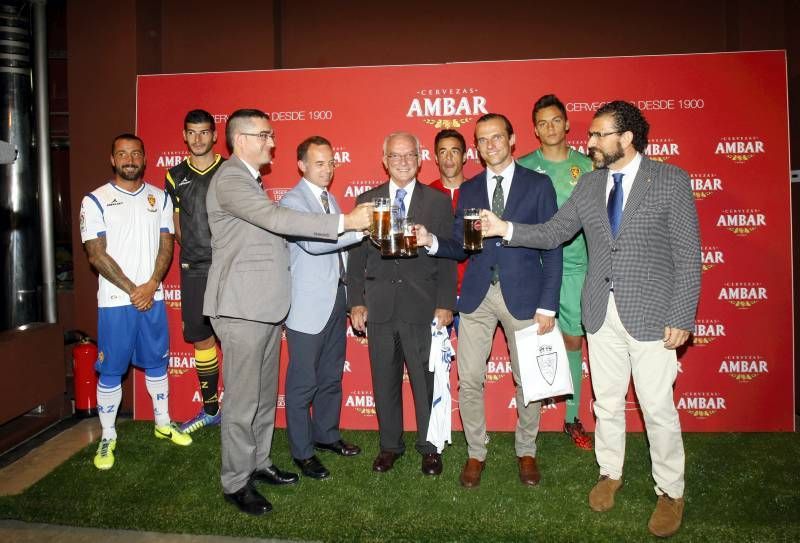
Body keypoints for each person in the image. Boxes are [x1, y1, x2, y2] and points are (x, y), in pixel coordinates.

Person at [480, 101, 700, 538]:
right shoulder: (590, 185)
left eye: (599, 135)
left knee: (657, 407)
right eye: (592, 135)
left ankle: (671, 490)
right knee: (607, 402)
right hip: (599, 311)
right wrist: (505, 229)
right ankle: (610, 472)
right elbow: (553, 232)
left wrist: (681, 313)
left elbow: (688, 254)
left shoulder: (670, 180)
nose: (590, 142)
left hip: (654, 315)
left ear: (626, 138)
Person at [203, 109, 372, 515]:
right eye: (264, 135)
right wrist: (344, 221)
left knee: (262, 399)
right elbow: (277, 219)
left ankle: (258, 463)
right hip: (241, 307)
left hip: (263, 306)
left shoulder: (250, 181)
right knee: (242, 402)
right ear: (240, 138)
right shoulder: (230, 179)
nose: (271, 142)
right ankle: (235, 481)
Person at [415, 113, 562, 489]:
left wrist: (548, 305)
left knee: (527, 380)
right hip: (478, 295)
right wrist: (430, 241)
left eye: (497, 137)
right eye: (483, 140)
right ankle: (476, 453)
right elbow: (461, 245)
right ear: (476, 149)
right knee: (470, 380)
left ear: (513, 140)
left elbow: (553, 244)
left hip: (526, 297)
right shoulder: (471, 189)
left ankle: (526, 450)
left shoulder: (538, 185)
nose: (490, 144)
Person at [347, 131, 457, 476]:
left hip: (423, 306)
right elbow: (355, 258)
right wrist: (356, 302)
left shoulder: (438, 202)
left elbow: (449, 258)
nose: (403, 161)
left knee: (425, 381)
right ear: (384, 160)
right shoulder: (366, 201)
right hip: (379, 306)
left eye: (410, 155)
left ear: (421, 158)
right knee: (383, 380)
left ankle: (429, 447)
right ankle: (390, 446)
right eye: (395, 156)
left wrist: (445, 303)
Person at [80, 133, 192, 471]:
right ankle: (108, 436)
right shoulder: (95, 200)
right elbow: (95, 254)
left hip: (152, 298)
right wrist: (133, 289)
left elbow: (167, 245)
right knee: (112, 370)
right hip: (117, 302)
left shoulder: (158, 197)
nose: (129, 159)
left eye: (136, 154)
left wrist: (153, 283)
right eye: (122, 154)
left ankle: (163, 422)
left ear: (144, 158)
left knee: (157, 364)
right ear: (113, 160)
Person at [279, 136, 364, 480]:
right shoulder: (292, 201)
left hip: (335, 302)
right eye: (319, 163)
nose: (328, 169)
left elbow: (337, 254)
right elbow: (315, 246)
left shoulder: (331, 199)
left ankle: (326, 435)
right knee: (303, 383)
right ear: (301, 165)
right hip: (305, 307)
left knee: (331, 377)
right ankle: (302, 451)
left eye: (331, 162)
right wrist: (360, 228)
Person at [518, 94, 594, 450]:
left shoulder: (589, 165)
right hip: (536, 267)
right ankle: (527, 422)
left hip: (578, 265)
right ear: (535, 130)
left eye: (555, 121)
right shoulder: (522, 166)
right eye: (542, 123)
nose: (549, 127)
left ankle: (572, 417)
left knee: (573, 340)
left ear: (566, 124)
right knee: (535, 342)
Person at [164, 109, 224, 434]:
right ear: (184, 136)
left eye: (204, 132)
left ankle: (244, 413)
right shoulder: (174, 175)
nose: (198, 139)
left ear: (215, 135)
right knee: (202, 341)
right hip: (194, 271)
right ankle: (211, 410)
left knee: (236, 342)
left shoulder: (231, 171)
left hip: (230, 271)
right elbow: (177, 227)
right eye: (192, 132)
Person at [429, 129, 468, 323]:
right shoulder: (426, 195)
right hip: (434, 296)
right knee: (432, 354)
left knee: (474, 354)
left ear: (465, 156)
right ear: (435, 158)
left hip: (473, 295)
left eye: (455, 151)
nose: (449, 157)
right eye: (443, 152)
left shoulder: (478, 192)